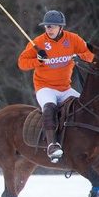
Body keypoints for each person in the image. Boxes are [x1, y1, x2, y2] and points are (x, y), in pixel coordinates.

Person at [18, 10, 93, 163]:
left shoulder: (73, 39)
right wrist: (38, 60)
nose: (48, 29)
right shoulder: (37, 43)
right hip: (45, 87)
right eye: (46, 26)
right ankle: (53, 145)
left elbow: (90, 54)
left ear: (61, 27)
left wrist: (79, 56)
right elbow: (22, 63)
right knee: (50, 107)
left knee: (86, 108)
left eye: (52, 26)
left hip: (65, 88)